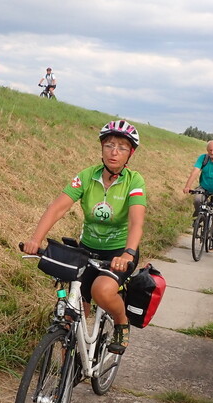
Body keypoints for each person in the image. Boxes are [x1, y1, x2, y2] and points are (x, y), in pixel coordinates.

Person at [22, 120, 146, 355]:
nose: (114, 152)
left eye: (121, 147)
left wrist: (128, 253)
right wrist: (36, 239)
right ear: (102, 148)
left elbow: (136, 222)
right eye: (109, 145)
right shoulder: (87, 176)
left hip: (119, 252)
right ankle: (68, 370)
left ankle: (121, 321)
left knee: (102, 290)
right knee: (71, 314)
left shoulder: (134, 181)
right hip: (87, 249)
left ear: (130, 153)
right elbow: (57, 208)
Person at [182, 140, 213, 251]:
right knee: (197, 199)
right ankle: (197, 218)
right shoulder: (203, 158)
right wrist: (187, 186)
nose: (212, 152)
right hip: (204, 187)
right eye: (210, 150)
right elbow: (195, 172)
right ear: (207, 150)